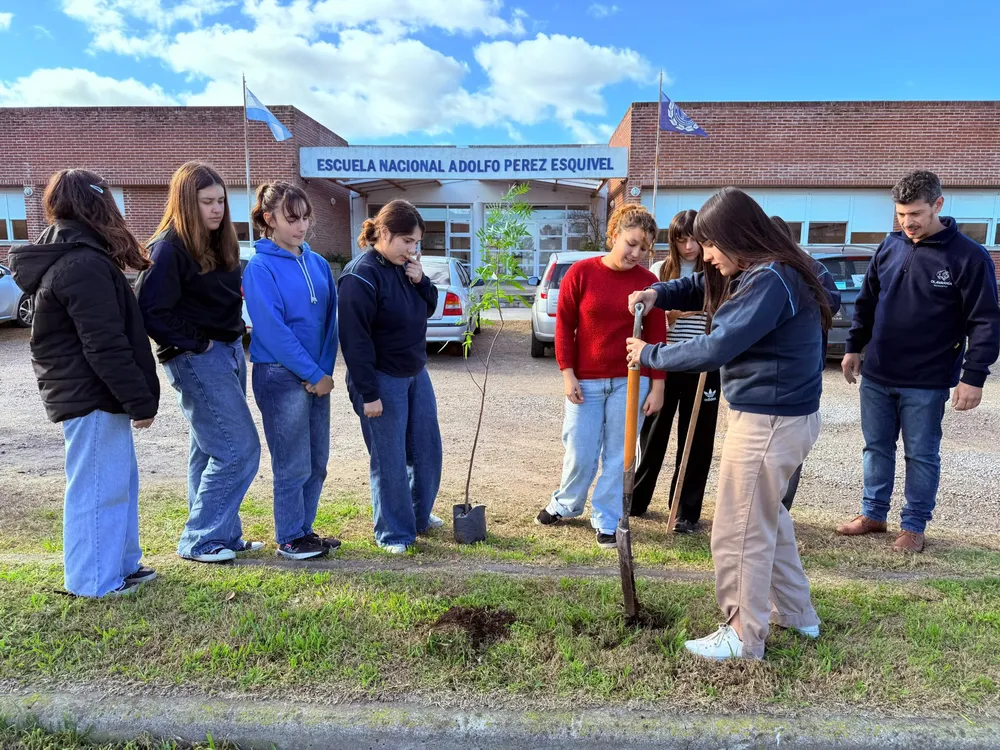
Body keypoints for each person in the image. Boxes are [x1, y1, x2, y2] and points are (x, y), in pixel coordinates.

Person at [626, 187, 837, 661]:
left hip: (769, 421)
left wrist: (650, 354)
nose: (707, 256)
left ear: (735, 235)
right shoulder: (775, 270)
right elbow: (703, 286)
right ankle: (799, 616)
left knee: (738, 529)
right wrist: (658, 291)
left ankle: (742, 635)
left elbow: (716, 346)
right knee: (769, 520)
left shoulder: (769, 279)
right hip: (785, 418)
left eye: (712, 245)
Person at [9, 169, 159, 597]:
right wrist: (140, 402)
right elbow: (104, 346)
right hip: (91, 394)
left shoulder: (78, 256)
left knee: (117, 484)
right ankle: (93, 581)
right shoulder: (82, 264)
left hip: (92, 394)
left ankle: (123, 565)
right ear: (97, 205)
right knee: (98, 490)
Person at [837, 170, 1000, 553]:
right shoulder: (889, 247)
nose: (908, 222)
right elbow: (867, 303)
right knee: (876, 448)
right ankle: (873, 514)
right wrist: (853, 346)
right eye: (901, 214)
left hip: (926, 380)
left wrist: (973, 376)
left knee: (921, 454)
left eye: (916, 214)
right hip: (877, 373)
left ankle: (913, 526)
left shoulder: (969, 257)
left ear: (938, 205)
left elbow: (986, 321)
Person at [136, 162, 262, 564]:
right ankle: (200, 539)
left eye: (221, 201)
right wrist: (200, 342)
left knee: (209, 450)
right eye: (206, 201)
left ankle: (221, 534)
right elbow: (151, 311)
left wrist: (233, 328)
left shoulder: (216, 242)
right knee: (239, 450)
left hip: (227, 352)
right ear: (185, 202)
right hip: (196, 358)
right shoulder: (168, 248)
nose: (217, 209)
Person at [535, 204, 666, 549]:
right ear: (614, 236)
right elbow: (564, 326)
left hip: (631, 380)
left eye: (644, 248)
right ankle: (567, 503)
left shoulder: (649, 283)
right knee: (580, 448)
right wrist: (567, 373)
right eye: (631, 243)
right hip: (587, 380)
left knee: (619, 455)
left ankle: (607, 518)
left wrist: (658, 385)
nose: (636, 253)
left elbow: (657, 336)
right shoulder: (581, 273)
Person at [338, 200, 443, 554]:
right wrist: (369, 394)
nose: (413, 250)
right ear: (383, 233)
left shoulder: (406, 268)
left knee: (427, 449)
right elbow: (354, 342)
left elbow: (428, 306)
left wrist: (421, 280)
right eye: (407, 241)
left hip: (415, 372)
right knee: (390, 459)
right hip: (380, 379)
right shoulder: (359, 276)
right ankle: (394, 532)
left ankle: (418, 516)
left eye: (417, 243)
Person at [243, 181, 341, 561]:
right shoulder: (260, 266)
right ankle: (288, 538)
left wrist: (323, 372)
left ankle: (304, 531)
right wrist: (311, 372)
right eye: (291, 218)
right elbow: (271, 329)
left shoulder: (316, 263)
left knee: (317, 462)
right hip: (279, 377)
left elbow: (330, 323)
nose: (301, 226)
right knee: (292, 463)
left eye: (305, 217)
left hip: (317, 377)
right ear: (269, 219)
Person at [631, 209, 718, 532]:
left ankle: (685, 511)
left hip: (705, 365)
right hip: (666, 361)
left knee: (696, 439)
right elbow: (653, 320)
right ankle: (637, 501)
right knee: (653, 435)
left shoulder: (717, 270)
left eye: (694, 239)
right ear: (674, 241)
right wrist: (669, 315)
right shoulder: (659, 271)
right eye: (682, 239)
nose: (690, 246)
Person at [769, 214, 840, 512]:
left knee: (790, 447)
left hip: (801, 374)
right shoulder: (760, 270)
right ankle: (766, 508)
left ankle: (781, 508)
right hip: (766, 376)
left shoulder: (814, 269)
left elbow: (831, 304)